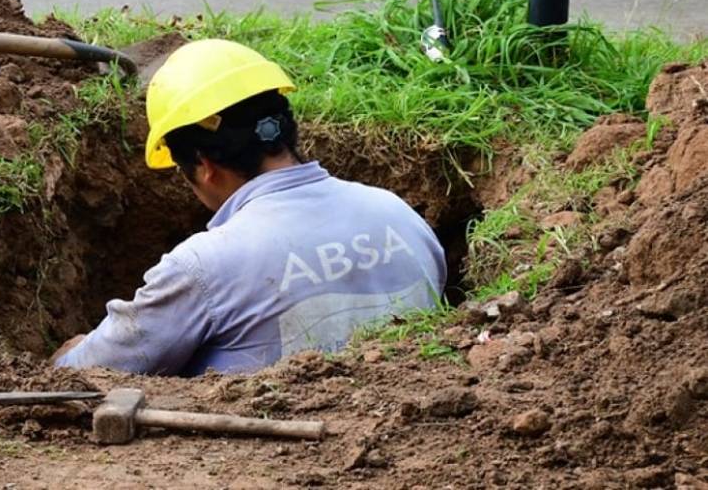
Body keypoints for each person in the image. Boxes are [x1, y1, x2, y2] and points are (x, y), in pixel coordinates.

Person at [54, 39, 446, 376]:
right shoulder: (399, 215)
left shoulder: (202, 267)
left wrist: (68, 353)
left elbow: (88, 374)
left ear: (204, 167)